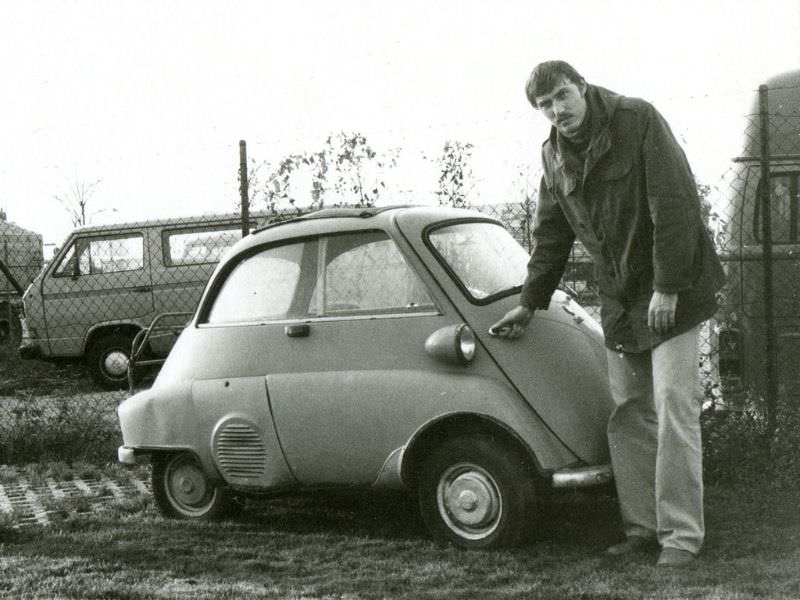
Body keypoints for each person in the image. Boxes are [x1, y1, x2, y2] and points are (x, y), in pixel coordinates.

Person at [490, 60, 725, 567]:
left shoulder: (637, 119)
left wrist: (668, 287)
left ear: (582, 86)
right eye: (544, 105)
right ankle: (642, 531)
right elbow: (551, 235)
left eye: (562, 96)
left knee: (672, 405)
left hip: (673, 291)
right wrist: (530, 303)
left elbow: (675, 203)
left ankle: (681, 539)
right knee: (627, 413)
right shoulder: (552, 154)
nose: (557, 110)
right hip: (619, 302)